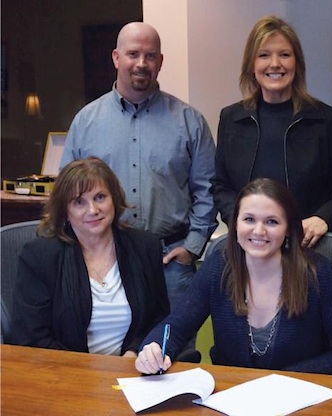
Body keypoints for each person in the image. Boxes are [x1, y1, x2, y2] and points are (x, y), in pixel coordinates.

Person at [136, 178, 332, 375]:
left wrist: (283, 381)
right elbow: (174, 328)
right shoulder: (219, 267)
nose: (258, 231)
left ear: (288, 229)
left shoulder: (318, 274)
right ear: (235, 224)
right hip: (233, 400)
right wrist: (154, 349)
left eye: (272, 222)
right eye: (249, 219)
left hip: (301, 399)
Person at [60, 22, 218, 309]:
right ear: (116, 58)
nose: (141, 64)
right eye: (133, 54)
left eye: (150, 55)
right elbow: (67, 193)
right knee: (110, 349)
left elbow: (208, 190)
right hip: (105, 262)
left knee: (176, 349)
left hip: (170, 260)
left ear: (160, 61)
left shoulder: (189, 122)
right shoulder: (86, 122)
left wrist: (192, 248)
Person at [212, 15, 332, 248]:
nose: (275, 64)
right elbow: (221, 186)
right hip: (249, 248)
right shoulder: (232, 119)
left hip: (309, 248)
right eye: (264, 55)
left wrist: (323, 218)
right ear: (252, 65)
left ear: (297, 63)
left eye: (284, 54)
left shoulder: (328, 120)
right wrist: (242, 223)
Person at [10, 157, 169, 356]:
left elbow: (159, 317)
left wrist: (135, 352)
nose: (93, 210)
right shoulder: (40, 256)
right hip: (63, 374)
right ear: (65, 211)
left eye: (100, 197)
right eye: (79, 202)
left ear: (114, 199)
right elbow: (30, 337)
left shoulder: (145, 247)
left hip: (132, 373)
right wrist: (86, 372)